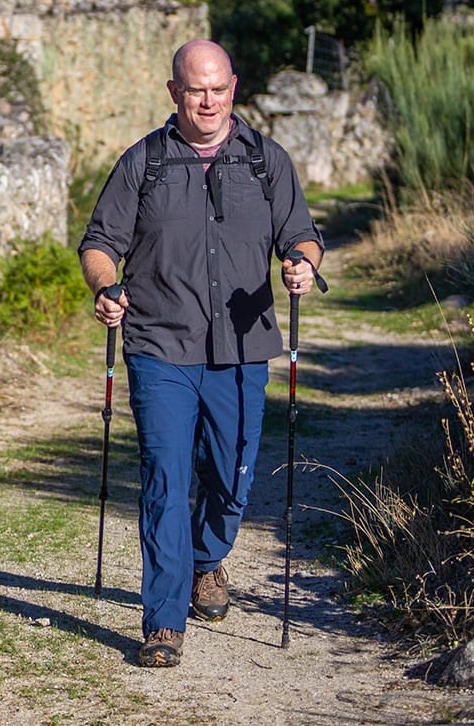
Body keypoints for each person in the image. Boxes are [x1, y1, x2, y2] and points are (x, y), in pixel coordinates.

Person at [78, 39, 322, 668]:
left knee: (235, 470)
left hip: (244, 347)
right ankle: (162, 620)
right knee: (165, 476)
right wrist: (106, 286)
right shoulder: (144, 164)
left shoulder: (267, 161)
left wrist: (299, 264)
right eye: (195, 89)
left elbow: (301, 233)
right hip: (160, 343)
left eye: (217, 88)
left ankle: (208, 558)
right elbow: (100, 242)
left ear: (233, 87)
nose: (207, 100)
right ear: (174, 93)